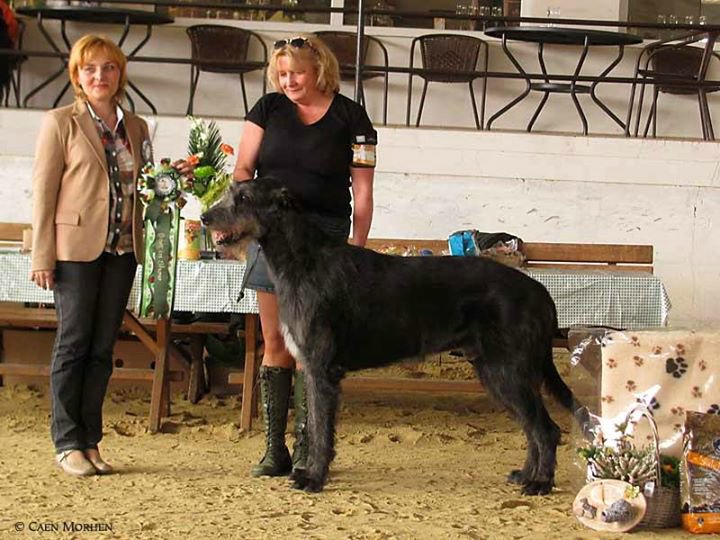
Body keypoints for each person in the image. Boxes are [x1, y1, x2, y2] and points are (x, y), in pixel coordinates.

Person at [232, 34, 377, 477]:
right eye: (281, 73)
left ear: (319, 70)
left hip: (328, 242)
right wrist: (247, 202)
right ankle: (274, 448)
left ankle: (309, 449)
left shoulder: (352, 116)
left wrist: (359, 245)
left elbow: (364, 189)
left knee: (313, 350)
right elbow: (242, 169)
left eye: (296, 71)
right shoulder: (268, 109)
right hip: (273, 242)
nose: (288, 80)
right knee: (275, 343)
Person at [29, 34, 153, 477]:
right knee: (73, 343)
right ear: (77, 76)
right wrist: (42, 254)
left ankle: (91, 440)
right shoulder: (61, 121)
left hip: (122, 250)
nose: (100, 76)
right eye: (90, 68)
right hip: (74, 251)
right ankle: (66, 441)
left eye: (109, 67)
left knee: (102, 349)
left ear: (120, 74)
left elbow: (146, 187)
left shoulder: (136, 127)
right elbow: (43, 193)